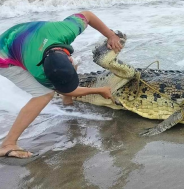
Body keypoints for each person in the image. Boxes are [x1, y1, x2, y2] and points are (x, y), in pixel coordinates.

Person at [0, 11, 123, 159]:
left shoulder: (66, 30)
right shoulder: (38, 70)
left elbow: (88, 15)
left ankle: (67, 102)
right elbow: (65, 89)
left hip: (26, 35)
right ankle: (8, 144)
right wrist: (100, 90)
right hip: (5, 55)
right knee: (44, 95)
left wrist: (110, 35)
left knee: (71, 67)